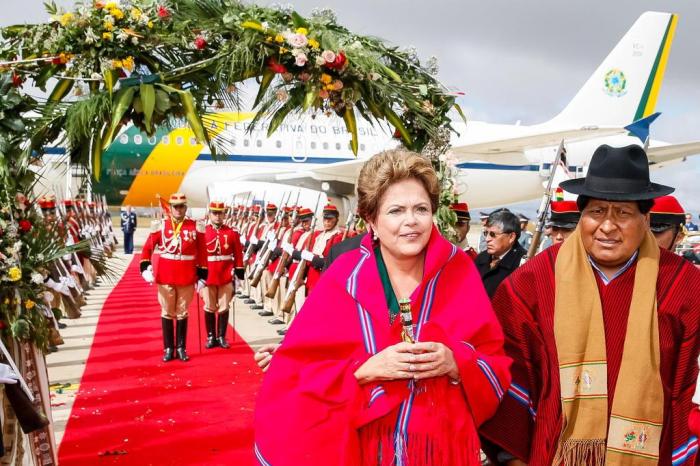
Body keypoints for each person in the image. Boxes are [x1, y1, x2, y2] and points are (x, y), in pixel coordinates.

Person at [254, 149, 511, 465]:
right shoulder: (345, 276)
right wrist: (364, 370)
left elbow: (495, 363)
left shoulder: (459, 271)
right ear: (371, 220)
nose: (411, 221)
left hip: (442, 449)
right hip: (363, 448)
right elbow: (299, 373)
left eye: (421, 208)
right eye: (396, 211)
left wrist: (456, 362)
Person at [480, 145, 700, 465]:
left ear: (645, 218)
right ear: (582, 216)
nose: (607, 226)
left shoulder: (681, 285)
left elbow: (684, 390)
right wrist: (513, 459)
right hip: (550, 455)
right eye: (596, 211)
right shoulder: (533, 283)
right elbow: (510, 376)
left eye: (623, 213)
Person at [140, 193, 207, 362]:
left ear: (186, 207)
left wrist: (202, 276)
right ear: (170, 208)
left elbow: (203, 253)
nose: (178, 209)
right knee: (167, 312)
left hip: (186, 276)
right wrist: (145, 268)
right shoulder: (161, 225)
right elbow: (147, 248)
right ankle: (169, 348)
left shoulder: (195, 226)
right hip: (165, 276)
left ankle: (181, 348)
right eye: (175, 206)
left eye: (181, 206)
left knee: (183, 313)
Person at [202, 201, 244, 349]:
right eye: (215, 213)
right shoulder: (204, 231)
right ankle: (211, 336)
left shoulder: (231, 232)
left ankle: (221, 336)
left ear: (224, 214)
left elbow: (238, 255)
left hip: (225, 274)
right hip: (208, 275)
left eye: (220, 213)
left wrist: (239, 276)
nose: (218, 216)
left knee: (224, 307)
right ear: (210, 214)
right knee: (209, 306)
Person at [474, 210, 527, 297]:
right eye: (486, 233)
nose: (487, 239)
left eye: (492, 234)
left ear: (511, 237)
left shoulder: (523, 263)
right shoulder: (481, 258)